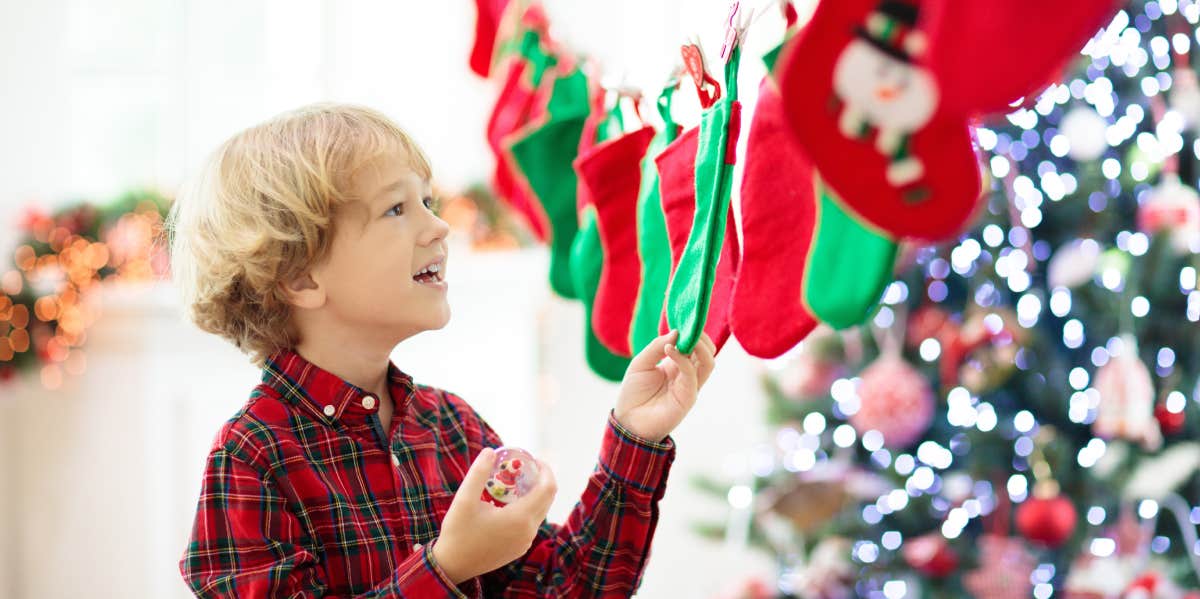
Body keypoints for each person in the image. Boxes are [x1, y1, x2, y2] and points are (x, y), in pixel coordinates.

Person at [168, 103, 717, 597]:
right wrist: (446, 567)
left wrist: (636, 436)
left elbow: (573, 586)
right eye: (395, 209)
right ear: (301, 277)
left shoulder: (451, 428)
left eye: (426, 201)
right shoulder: (251, 458)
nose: (438, 226)